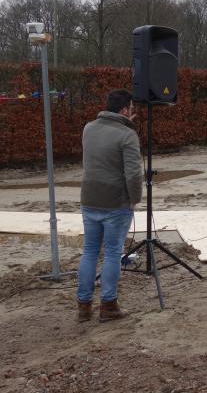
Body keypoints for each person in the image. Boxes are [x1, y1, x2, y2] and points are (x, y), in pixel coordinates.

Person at [77, 89, 142, 323]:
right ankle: (108, 305)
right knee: (113, 253)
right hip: (115, 202)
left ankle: (83, 307)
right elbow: (133, 174)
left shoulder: (88, 128)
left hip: (89, 198)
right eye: (131, 109)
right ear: (125, 110)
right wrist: (134, 198)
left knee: (90, 252)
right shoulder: (127, 135)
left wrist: (126, 126)